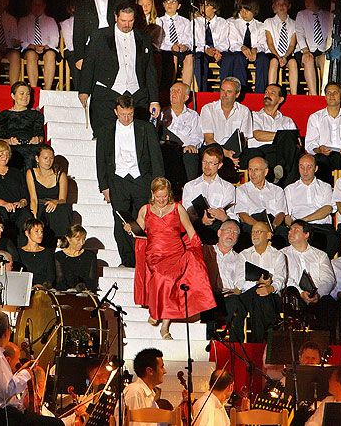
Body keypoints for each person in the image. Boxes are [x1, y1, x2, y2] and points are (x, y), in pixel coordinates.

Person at [126, 177, 215, 339]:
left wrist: (196, 247)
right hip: (154, 255)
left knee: (167, 279)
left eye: (165, 196)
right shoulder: (145, 210)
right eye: (158, 196)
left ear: (170, 195)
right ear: (152, 194)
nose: (161, 200)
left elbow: (189, 229)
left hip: (176, 253)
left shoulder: (177, 208)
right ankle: (156, 312)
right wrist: (129, 227)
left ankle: (164, 326)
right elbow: (138, 230)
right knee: (161, 276)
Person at [96, 94, 164, 267]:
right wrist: (104, 186)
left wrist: (158, 186)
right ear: (115, 111)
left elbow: (156, 157)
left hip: (142, 180)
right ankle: (127, 260)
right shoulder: (105, 131)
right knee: (121, 221)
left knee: (143, 219)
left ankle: (142, 257)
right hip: (118, 181)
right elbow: (101, 160)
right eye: (122, 114)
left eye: (130, 114)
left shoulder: (146, 128)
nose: (126, 118)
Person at [79, 3, 160, 138]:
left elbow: (150, 70)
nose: (127, 24)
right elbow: (89, 64)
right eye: (123, 20)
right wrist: (84, 90)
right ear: (116, 17)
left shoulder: (144, 38)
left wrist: (154, 100)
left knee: (138, 138)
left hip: (137, 95)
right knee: (105, 137)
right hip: (107, 93)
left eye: (130, 20)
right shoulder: (99, 36)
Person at [0, 311, 63, 426]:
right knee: (56, 424)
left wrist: (20, 371)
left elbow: (0, 385)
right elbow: (7, 391)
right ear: (6, 332)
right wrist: (26, 373)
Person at [231, 221, 287, 342]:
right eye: (253, 232)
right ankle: (273, 326)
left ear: (268, 235)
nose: (255, 235)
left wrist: (270, 288)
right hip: (247, 295)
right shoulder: (244, 255)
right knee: (258, 293)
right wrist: (257, 284)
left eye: (259, 232)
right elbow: (239, 282)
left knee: (259, 299)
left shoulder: (278, 255)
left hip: (271, 296)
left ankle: (258, 343)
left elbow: (280, 279)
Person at [283, 220, 336, 339]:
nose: (290, 232)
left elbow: (328, 279)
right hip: (295, 297)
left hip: (317, 296)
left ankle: (326, 344)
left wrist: (318, 295)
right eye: (290, 229)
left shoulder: (320, 255)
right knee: (291, 300)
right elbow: (285, 277)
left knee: (328, 303)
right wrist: (301, 293)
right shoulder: (282, 254)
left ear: (306, 234)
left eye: (295, 229)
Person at [305, 81, 341, 183]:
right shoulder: (315, 118)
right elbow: (310, 144)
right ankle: (323, 193)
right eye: (328, 93)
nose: (331, 96)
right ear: (325, 96)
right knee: (319, 160)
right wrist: (319, 150)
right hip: (324, 156)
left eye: (335, 93)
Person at [72, 0, 129, 72]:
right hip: (92, 43)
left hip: (115, 42)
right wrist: (79, 57)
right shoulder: (82, 0)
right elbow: (78, 30)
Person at [245, 84, 300, 186]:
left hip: (281, 153)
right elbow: (258, 135)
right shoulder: (254, 116)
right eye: (266, 92)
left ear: (280, 99)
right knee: (288, 138)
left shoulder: (287, 121)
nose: (267, 95)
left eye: (272, 93)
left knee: (295, 152)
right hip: (261, 152)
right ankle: (281, 171)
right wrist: (283, 136)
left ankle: (281, 172)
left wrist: (291, 139)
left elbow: (295, 142)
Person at [284, 154, 338, 258]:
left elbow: (327, 209)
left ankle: (321, 268)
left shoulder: (325, 187)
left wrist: (304, 221)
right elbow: (287, 216)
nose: (305, 170)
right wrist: (295, 226)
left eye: (309, 166)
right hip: (299, 229)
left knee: (333, 238)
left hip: (320, 227)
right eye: (302, 167)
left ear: (316, 168)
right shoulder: (289, 189)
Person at [200, 77, 253, 181]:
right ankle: (228, 178)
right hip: (214, 149)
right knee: (212, 150)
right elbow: (208, 138)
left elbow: (244, 139)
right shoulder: (208, 109)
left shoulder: (244, 111)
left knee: (254, 153)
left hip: (235, 151)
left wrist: (233, 155)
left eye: (228, 92)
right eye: (222, 90)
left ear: (237, 94)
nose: (224, 94)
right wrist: (225, 153)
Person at [182, 147, 237, 244]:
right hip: (196, 226)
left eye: (212, 163)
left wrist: (224, 217)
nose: (207, 166)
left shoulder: (228, 187)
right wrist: (201, 220)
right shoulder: (190, 186)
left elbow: (232, 214)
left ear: (219, 165)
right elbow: (186, 213)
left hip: (218, 226)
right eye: (205, 162)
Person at [234, 157, 288, 248]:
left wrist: (272, 227)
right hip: (252, 223)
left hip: (272, 223)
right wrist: (260, 228)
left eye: (256, 170)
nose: (252, 173)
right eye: (250, 169)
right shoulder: (241, 190)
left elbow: (281, 213)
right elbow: (243, 215)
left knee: (284, 235)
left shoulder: (277, 190)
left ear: (265, 172)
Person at [221, 0, 269, 93]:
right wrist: (242, 48)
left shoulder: (260, 25)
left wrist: (255, 50)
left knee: (263, 59)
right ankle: (241, 91)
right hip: (239, 52)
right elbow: (232, 43)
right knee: (238, 58)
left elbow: (262, 43)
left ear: (254, 11)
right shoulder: (233, 23)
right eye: (242, 10)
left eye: (247, 11)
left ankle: (259, 93)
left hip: (254, 52)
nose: (244, 14)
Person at [0, 140, 31, 242]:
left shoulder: (16, 173)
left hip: (17, 209)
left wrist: (22, 202)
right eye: (1, 154)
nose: (5, 157)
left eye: (7, 154)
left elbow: (25, 194)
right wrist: (5, 204)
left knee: (25, 216)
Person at [26, 144, 71, 245]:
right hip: (40, 205)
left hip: (55, 206)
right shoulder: (31, 173)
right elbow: (33, 199)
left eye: (51, 158)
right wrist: (34, 219)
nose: (48, 161)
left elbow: (63, 199)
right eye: (45, 158)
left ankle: (61, 238)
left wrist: (56, 202)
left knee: (61, 209)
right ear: (37, 158)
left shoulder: (60, 175)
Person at [158, 82, 202, 184]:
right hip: (167, 150)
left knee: (191, 154)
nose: (173, 93)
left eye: (178, 91)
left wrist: (192, 145)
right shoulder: (162, 113)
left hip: (185, 150)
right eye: (172, 91)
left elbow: (197, 136)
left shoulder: (193, 115)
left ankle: (191, 192)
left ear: (186, 97)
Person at [0, 81, 45, 169]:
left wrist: (37, 139)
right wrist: (9, 141)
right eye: (21, 94)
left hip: (30, 148)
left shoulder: (36, 115)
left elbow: (40, 136)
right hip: (10, 148)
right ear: (13, 96)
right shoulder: (3, 115)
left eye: (28, 94)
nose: (25, 97)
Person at [18, 0, 60, 90]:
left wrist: (45, 47)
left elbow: (55, 39)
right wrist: (33, 47)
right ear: (30, 6)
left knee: (50, 55)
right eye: (35, 4)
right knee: (31, 55)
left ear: (44, 6)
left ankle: (47, 89)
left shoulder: (50, 20)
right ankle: (34, 89)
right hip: (30, 48)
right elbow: (21, 38)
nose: (37, 7)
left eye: (40, 5)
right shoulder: (24, 21)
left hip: (46, 48)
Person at [156, 0, 194, 91]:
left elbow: (188, 38)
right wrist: (172, 47)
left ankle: (186, 90)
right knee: (174, 57)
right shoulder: (159, 21)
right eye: (168, 2)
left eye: (173, 2)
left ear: (178, 6)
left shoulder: (185, 21)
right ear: (164, 4)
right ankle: (170, 88)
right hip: (166, 50)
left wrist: (185, 46)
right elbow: (158, 41)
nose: (170, 4)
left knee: (189, 57)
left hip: (181, 50)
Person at [295, 0, 329, 96]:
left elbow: (330, 36)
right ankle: (314, 96)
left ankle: (325, 94)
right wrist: (305, 51)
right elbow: (299, 34)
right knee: (308, 59)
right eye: (306, 0)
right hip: (306, 50)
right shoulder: (301, 15)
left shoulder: (328, 15)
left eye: (310, 0)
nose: (307, 3)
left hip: (322, 51)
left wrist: (327, 50)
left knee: (325, 59)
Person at [264, 0, 299, 95]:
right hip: (273, 53)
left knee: (292, 63)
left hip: (287, 54)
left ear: (289, 6)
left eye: (284, 4)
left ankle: (294, 94)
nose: (282, 6)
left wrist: (285, 57)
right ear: (274, 7)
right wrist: (279, 57)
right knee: (274, 61)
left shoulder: (294, 24)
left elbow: (292, 45)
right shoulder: (269, 22)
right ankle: (271, 92)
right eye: (279, 4)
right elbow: (270, 43)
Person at [193, 0, 230, 92]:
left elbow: (225, 43)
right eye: (201, 5)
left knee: (228, 59)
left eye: (207, 5)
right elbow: (195, 42)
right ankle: (202, 92)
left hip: (218, 52)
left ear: (215, 8)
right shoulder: (196, 22)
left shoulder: (222, 23)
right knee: (199, 59)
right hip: (203, 52)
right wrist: (206, 49)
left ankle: (224, 91)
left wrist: (215, 51)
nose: (203, 8)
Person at [54, 224, 97, 293]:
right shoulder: (59, 256)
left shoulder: (89, 256)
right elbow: (60, 281)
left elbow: (91, 280)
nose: (82, 243)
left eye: (84, 239)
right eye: (78, 239)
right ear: (68, 238)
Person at [123, 348, 166, 413]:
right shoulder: (134, 391)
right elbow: (133, 422)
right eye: (162, 367)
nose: (164, 371)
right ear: (150, 371)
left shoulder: (149, 395)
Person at [18, 218, 55, 288]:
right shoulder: (19, 253)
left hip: (43, 290)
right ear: (27, 233)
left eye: (41, 231)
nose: (40, 234)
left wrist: (42, 286)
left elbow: (51, 275)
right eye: (36, 231)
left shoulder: (47, 252)